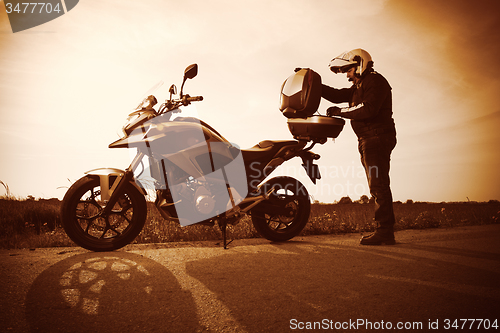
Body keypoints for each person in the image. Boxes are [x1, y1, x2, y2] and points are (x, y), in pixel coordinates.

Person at [322, 48, 397, 245]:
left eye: (348, 70)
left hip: (376, 138)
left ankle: (385, 232)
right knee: (377, 185)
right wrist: (313, 84)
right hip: (367, 139)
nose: (347, 75)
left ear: (359, 63)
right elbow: (337, 94)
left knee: (378, 185)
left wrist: (341, 111)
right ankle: (385, 230)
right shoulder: (359, 85)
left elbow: (368, 108)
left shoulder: (375, 81)